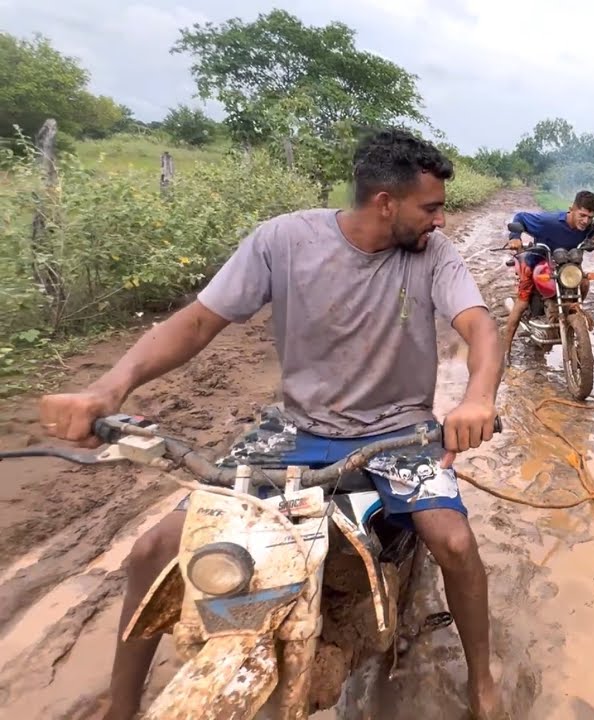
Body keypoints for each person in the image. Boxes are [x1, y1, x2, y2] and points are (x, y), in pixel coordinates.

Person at [36, 128, 506, 719]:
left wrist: (477, 397)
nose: (440, 220)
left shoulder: (434, 254)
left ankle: (482, 680)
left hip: (397, 431)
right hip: (295, 428)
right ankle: (121, 707)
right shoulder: (283, 239)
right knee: (154, 547)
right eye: (431, 207)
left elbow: (480, 327)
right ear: (386, 202)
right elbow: (197, 323)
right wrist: (108, 389)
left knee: (454, 542)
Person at [500, 190, 594, 359]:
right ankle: (506, 353)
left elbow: (590, 230)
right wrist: (515, 236)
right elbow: (520, 217)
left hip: (567, 270)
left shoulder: (586, 227)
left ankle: (570, 313)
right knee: (521, 304)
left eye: (590, 217)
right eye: (582, 215)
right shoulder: (548, 222)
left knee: (584, 282)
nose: (586, 221)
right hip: (538, 265)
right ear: (571, 209)